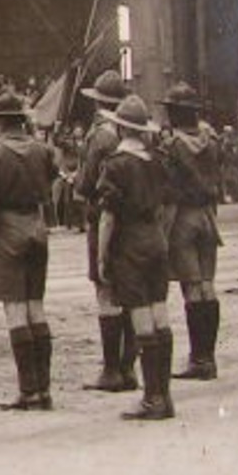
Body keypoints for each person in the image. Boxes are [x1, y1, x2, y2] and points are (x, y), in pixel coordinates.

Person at [0, 93, 58, 409]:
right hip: (37, 227)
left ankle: (28, 391)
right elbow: (52, 178)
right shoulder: (41, 150)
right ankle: (45, 390)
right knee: (37, 307)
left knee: (15, 310)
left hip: (7, 230)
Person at [96, 95, 177, 420]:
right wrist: (161, 236)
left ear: (118, 126)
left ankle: (151, 399)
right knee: (161, 316)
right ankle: (164, 395)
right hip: (156, 239)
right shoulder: (156, 160)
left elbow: (108, 218)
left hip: (129, 243)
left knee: (141, 319)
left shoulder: (115, 165)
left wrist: (102, 256)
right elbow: (168, 205)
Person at [75, 69, 139, 392]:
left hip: (103, 216)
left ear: (99, 101)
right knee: (127, 294)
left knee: (105, 292)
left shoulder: (99, 135)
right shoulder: (131, 133)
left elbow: (85, 185)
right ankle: (128, 368)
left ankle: (111, 370)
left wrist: (74, 180)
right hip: (131, 221)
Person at [158, 82, 224, 380]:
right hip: (208, 217)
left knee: (191, 288)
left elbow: (167, 187)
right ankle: (208, 358)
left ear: (175, 113)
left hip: (183, 218)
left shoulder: (173, 146)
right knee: (208, 284)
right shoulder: (211, 140)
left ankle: (198, 359)